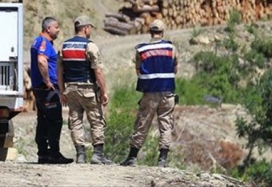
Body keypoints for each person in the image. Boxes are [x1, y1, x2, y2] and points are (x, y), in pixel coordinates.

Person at [121, 19, 178, 168]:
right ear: (163, 32)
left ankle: (132, 158)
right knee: (166, 125)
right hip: (167, 91)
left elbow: (138, 71)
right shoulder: (171, 48)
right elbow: (175, 69)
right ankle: (163, 160)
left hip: (149, 93)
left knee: (142, 123)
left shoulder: (141, 50)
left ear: (150, 32)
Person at [57, 16, 113, 165]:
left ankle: (80, 155)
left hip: (71, 89)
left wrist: (62, 91)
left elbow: (59, 71)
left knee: (75, 121)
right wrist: (104, 91)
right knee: (96, 120)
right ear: (87, 28)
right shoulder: (90, 46)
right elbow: (98, 71)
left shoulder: (64, 46)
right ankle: (98, 155)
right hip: (88, 89)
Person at [30, 16, 73, 164]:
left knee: (43, 120)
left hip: (39, 88)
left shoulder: (38, 41)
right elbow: (42, 60)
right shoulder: (43, 43)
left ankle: (43, 154)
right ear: (48, 28)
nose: (58, 29)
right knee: (55, 120)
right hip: (47, 89)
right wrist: (47, 81)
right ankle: (54, 154)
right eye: (56, 27)